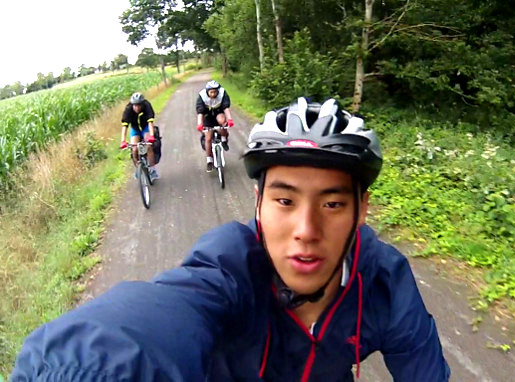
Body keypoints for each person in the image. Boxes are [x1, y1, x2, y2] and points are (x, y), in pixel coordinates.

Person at [11, 97, 450, 381]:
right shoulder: (229, 265)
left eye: (332, 205)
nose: (306, 230)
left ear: (362, 209)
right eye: (284, 201)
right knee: (207, 136)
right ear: (257, 201)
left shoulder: (384, 282)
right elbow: (156, 318)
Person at [196, 80, 234, 172]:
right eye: (211, 92)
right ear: (207, 91)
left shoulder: (222, 93)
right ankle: (209, 160)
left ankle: (224, 139)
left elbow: (226, 108)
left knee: (222, 123)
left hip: (218, 112)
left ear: (218, 91)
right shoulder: (202, 96)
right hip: (207, 116)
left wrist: (229, 120)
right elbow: (200, 112)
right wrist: (200, 124)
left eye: (215, 92)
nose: (213, 94)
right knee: (208, 138)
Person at [120, 92, 159, 180]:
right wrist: (123, 141)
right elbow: (125, 126)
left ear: (142, 105)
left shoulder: (147, 106)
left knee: (148, 146)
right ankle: (138, 169)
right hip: (135, 129)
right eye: (134, 105)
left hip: (145, 127)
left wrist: (151, 136)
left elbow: (150, 122)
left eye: (138, 105)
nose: (136, 108)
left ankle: (153, 170)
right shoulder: (128, 109)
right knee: (134, 149)